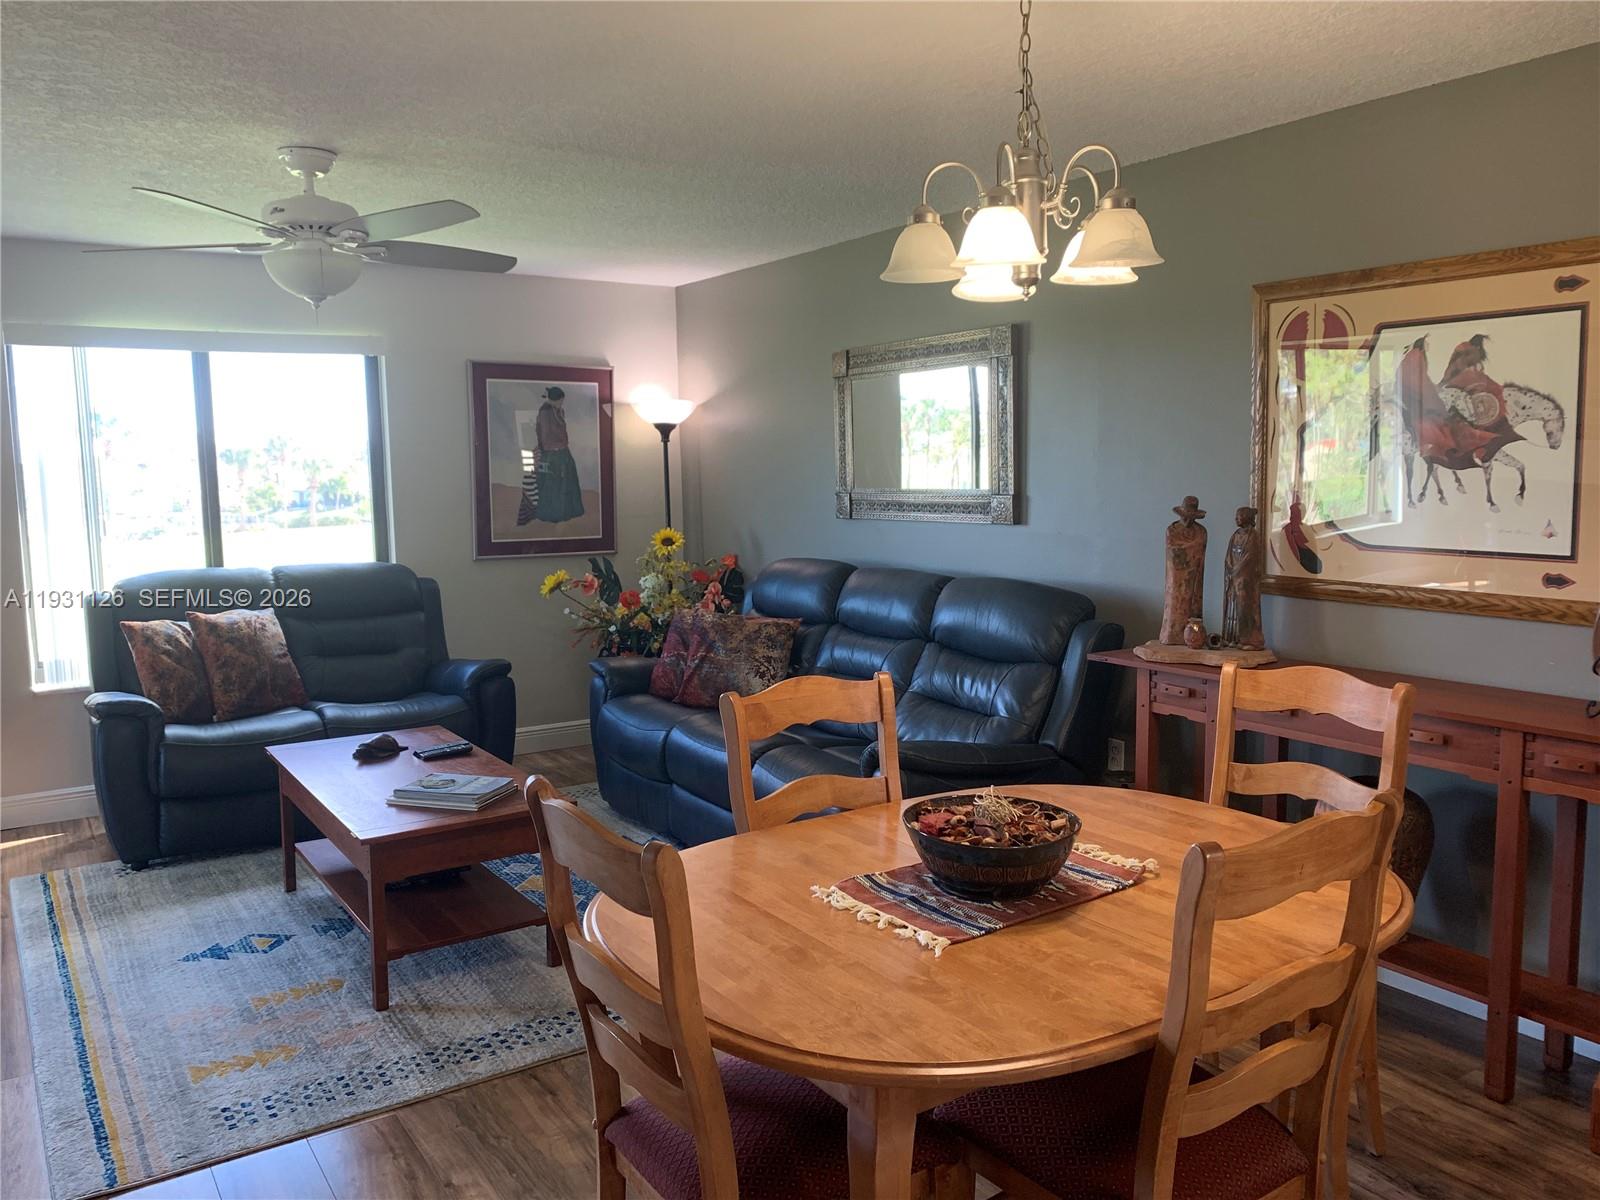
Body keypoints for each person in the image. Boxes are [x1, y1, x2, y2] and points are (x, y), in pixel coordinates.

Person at [532, 386, 585, 524]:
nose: (562, 403)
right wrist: (554, 448)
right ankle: (553, 514)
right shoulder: (545, 411)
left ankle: (567, 511)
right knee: (553, 483)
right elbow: (545, 434)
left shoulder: (558, 410)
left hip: (561, 451)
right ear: (555, 399)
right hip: (551, 453)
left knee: (566, 481)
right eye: (560, 400)